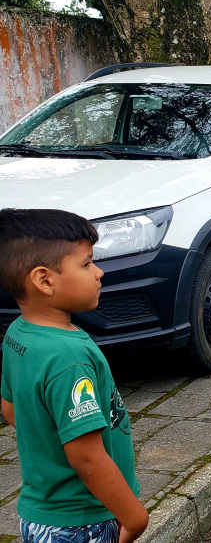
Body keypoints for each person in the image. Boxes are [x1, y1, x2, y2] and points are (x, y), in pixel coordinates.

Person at [0, 208, 148, 543]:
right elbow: (85, 453)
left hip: (42, 514)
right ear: (44, 280)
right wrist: (134, 517)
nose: (99, 273)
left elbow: (11, 409)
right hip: (82, 522)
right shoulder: (69, 357)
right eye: (86, 264)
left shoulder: (19, 334)